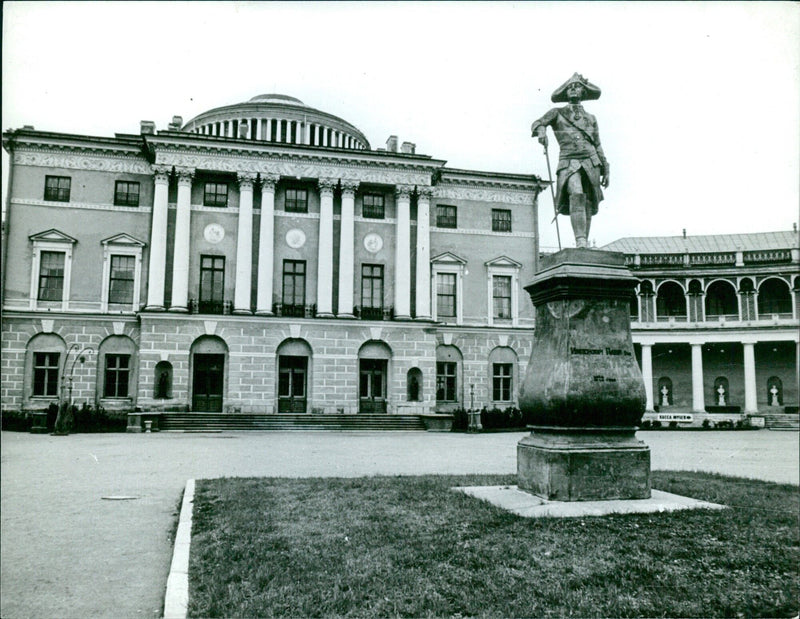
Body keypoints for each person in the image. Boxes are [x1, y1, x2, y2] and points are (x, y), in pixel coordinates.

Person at [531, 73, 610, 248]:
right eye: (570, 87)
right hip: (568, 161)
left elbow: (597, 144)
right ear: (566, 93)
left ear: (583, 92)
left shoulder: (591, 118)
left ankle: (584, 243)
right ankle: (580, 239)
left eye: (577, 86)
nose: (573, 89)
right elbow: (537, 123)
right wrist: (542, 131)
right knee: (576, 193)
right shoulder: (557, 113)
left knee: (588, 200)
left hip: (592, 161)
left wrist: (606, 168)